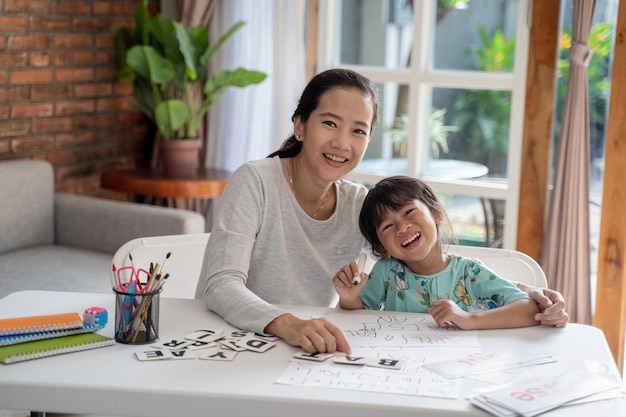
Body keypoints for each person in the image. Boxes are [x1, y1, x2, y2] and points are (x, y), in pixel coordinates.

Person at [195, 68, 568, 355]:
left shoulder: (361, 204)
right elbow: (220, 285)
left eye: (359, 131)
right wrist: (287, 323)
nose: (342, 143)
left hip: (310, 348)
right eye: (329, 123)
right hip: (237, 341)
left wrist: (531, 295)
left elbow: (428, 263)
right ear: (300, 126)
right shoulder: (256, 180)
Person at [333, 176, 540, 330]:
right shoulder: (386, 273)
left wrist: (469, 319)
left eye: (408, 212)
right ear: (381, 248)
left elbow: (529, 310)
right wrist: (349, 298)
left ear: (436, 214)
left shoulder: (470, 272)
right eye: (388, 226)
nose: (402, 227)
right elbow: (357, 320)